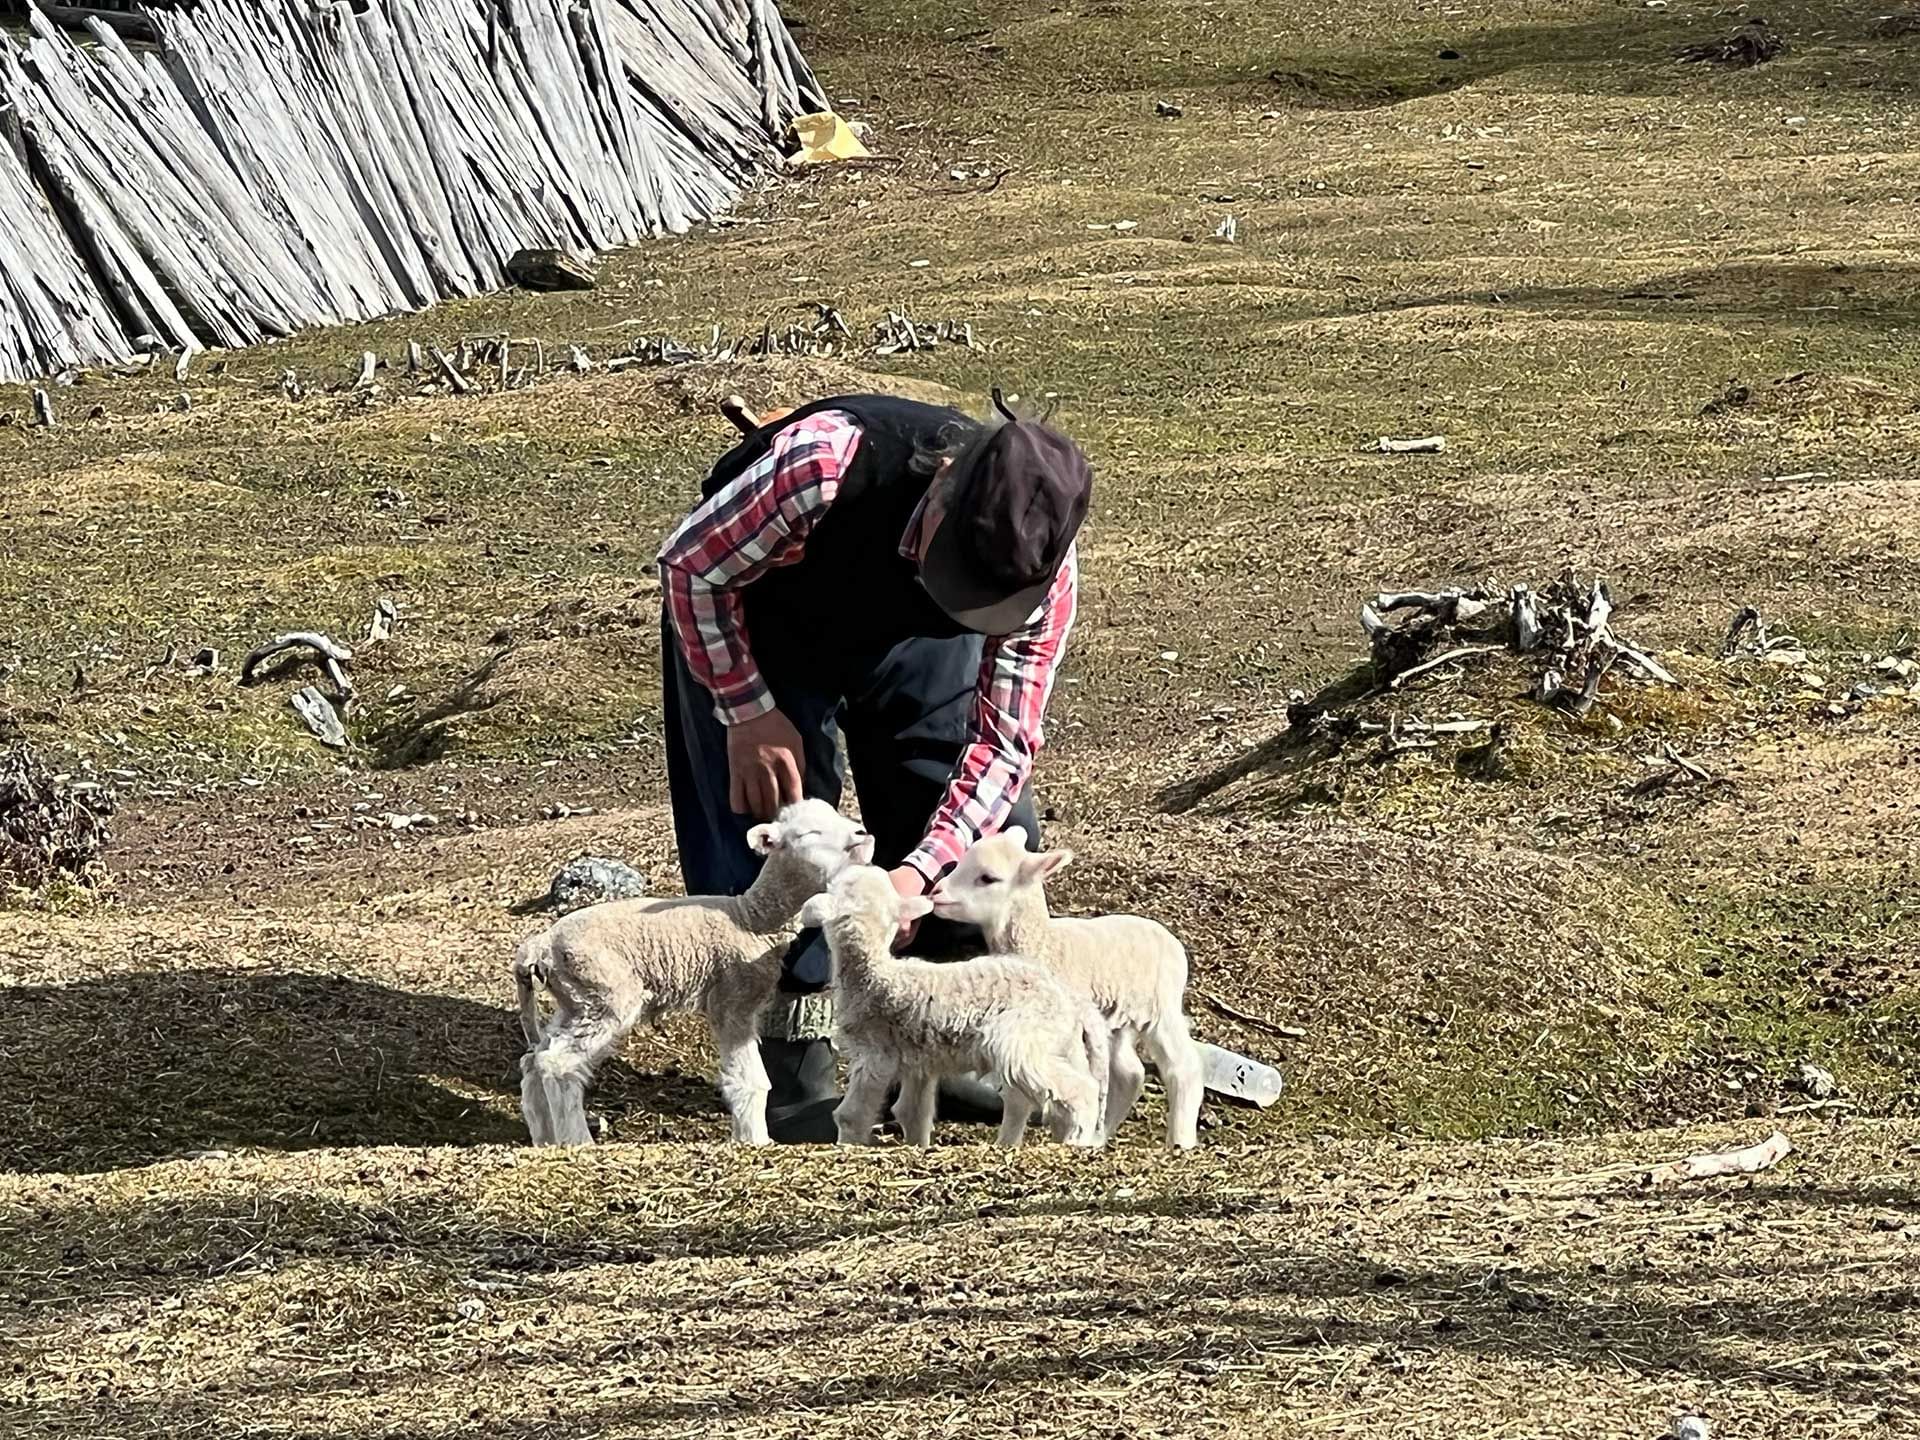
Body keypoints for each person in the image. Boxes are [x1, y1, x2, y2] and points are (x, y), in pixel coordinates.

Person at [657, 390, 1092, 1141]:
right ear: (945, 484)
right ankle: (790, 1066)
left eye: (984, 597)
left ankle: (952, 1042)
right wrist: (745, 709)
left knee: (962, 812)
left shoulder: (1040, 573)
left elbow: (1002, 746)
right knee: (779, 824)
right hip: (767, 614)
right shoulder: (823, 465)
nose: (960, 593)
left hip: (916, 640)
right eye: (957, 572)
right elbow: (693, 567)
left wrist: (918, 877)